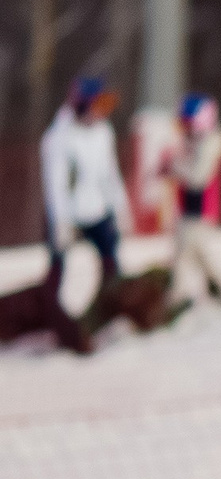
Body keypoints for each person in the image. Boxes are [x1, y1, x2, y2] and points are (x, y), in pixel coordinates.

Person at [38, 78, 133, 311]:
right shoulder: (57, 139)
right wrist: (61, 222)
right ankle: (50, 313)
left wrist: (121, 207)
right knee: (57, 269)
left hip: (98, 211)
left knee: (110, 262)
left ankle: (109, 307)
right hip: (67, 215)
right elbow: (56, 185)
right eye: (97, 106)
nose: (101, 113)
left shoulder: (103, 132)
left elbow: (110, 174)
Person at [166, 93, 221, 306]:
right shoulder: (197, 141)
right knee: (194, 251)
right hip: (188, 205)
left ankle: (176, 297)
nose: (184, 129)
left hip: (201, 208)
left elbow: (198, 178)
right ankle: (217, 289)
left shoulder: (211, 143)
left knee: (185, 252)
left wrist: (175, 166)